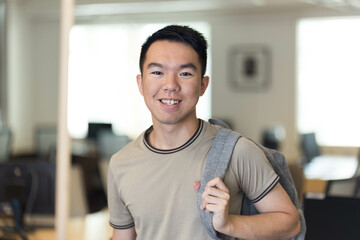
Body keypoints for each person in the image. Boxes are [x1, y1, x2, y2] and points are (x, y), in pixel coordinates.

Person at [107, 25, 300, 240]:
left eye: (185, 73)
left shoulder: (237, 151)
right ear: (141, 84)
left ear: (202, 85)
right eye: (157, 72)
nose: (170, 85)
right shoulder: (120, 164)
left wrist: (228, 223)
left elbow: (290, 223)